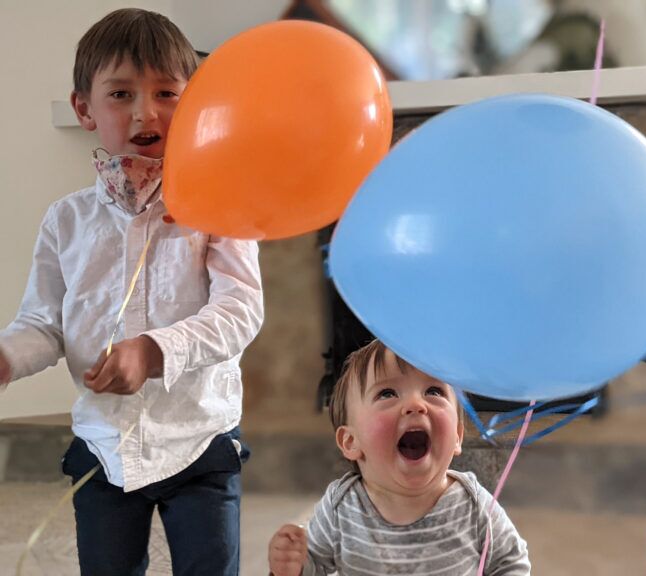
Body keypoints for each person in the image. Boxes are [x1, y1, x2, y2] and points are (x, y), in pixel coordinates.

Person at [0, 8, 263, 575]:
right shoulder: (65, 221)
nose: (147, 112)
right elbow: (45, 323)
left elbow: (241, 308)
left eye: (167, 93)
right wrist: (6, 357)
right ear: (84, 109)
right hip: (105, 445)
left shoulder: (220, 204)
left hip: (200, 437)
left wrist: (153, 351)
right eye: (121, 94)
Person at [268, 339, 530, 576]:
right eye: (387, 393)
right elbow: (316, 566)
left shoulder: (474, 506)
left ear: (458, 437)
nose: (416, 404)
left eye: (434, 391)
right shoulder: (340, 508)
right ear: (350, 441)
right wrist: (294, 566)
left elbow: (511, 561)